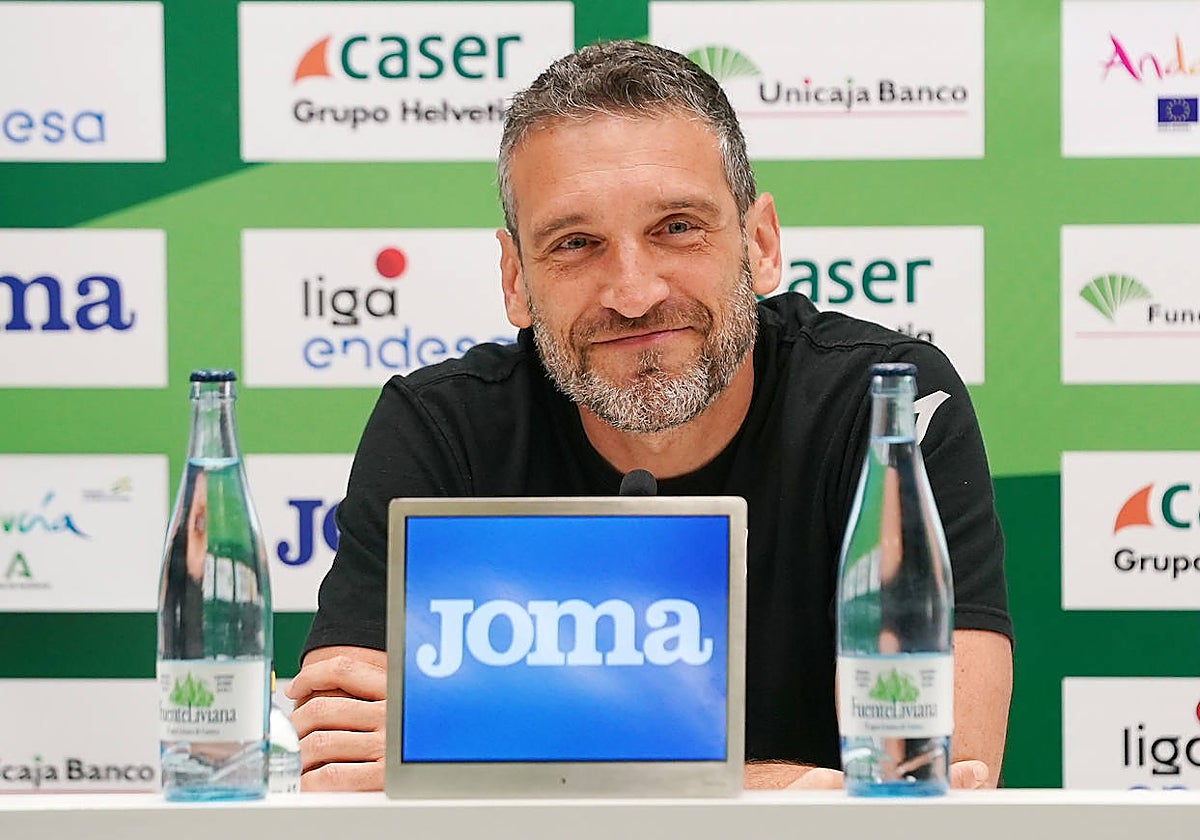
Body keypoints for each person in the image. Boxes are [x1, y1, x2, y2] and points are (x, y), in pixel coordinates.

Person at [287, 39, 1014, 792]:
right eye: (576, 244)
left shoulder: (886, 404)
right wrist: (768, 790)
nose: (632, 292)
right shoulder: (440, 427)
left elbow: (933, 782)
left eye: (676, 227)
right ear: (516, 280)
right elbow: (343, 767)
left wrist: (489, 747)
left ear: (760, 244)